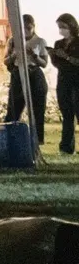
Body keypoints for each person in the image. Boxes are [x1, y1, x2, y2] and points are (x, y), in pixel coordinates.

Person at [5, 13, 51, 149]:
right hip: (18, 74)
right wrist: (14, 55)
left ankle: (38, 139)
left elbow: (44, 63)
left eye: (28, 28)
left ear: (33, 27)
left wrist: (34, 56)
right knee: (14, 107)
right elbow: (6, 60)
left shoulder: (40, 41)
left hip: (34, 73)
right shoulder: (13, 40)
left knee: (38, 108)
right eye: (23, 28)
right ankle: (10, 137)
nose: (26, 31)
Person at [53, 13, 79, 156]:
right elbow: (58, 63)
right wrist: (54, 55)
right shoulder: (59, 43)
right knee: (67, 114)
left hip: (76, 81)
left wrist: (67, 57)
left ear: (71, 27)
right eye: (59, 27)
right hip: (63, 81)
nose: (61, 30)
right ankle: (66, 147)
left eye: (63, 27)